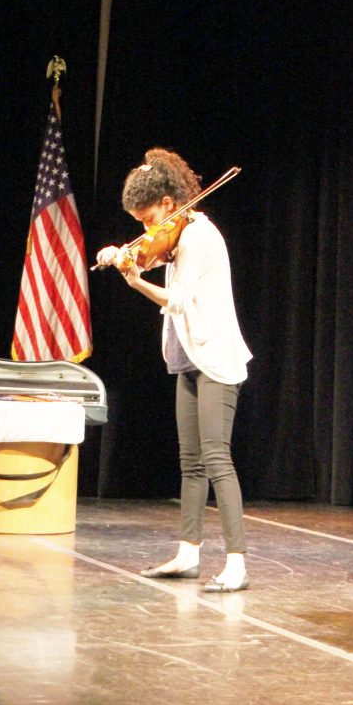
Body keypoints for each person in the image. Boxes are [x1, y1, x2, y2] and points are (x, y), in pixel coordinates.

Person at [96, 148, 252, 592]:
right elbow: (153, 252)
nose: (146, 230)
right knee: (191, 463)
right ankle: (188, 553)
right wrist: (121, 254)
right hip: (188, 355)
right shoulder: (176, 235)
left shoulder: (201, 236)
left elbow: (180, 299)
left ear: (169, 203)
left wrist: (135, 280)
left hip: (216, 358)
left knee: (217, 458)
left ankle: (237, 563)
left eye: (148, 218)